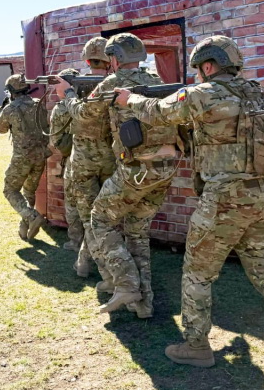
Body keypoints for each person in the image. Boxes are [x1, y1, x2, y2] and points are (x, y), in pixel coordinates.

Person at [111, 35, 264, 390]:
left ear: (208, 66)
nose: (198, 75)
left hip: (225, 200)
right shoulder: (255, 95)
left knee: (197, 274)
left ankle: (196, 345)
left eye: (199, 69)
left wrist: (129, 99)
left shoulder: (205, 93)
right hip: (263, 196)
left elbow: (160, 111)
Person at [56, 33, 178, 319]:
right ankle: (144, 303)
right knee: (137, 232)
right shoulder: (156, 81)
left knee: (99, 219)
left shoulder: (112, 83)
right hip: (164, 169)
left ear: (115, 58)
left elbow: (83, 115)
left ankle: (125, 284)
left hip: (134, 171)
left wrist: (68, 94)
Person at [62, 38, 116, 280]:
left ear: (87, 61)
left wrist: (66, 93)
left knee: (88, 218)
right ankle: (85, 261)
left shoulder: (76, 88)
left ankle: (100, 270)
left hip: (82, 162)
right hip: (110, 158)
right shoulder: (116, 83)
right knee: (104, 218)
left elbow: (63, 121)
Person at [0, 74, 50, 241]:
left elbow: (0, 129)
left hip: (22, 158)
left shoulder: (10, 109)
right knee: (29, 191)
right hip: (40, 156)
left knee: (10, 190)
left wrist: (7, 108)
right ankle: (24, 227)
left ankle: (32, 217)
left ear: (11, 91)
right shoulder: (38, 104)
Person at [49, 68, 85, 253]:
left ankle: (76, 241)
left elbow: (55, 139)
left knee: (72, 202)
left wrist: (66, 150)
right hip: (101, 159)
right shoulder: (88, 104)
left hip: (73, 160)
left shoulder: (61, 108)